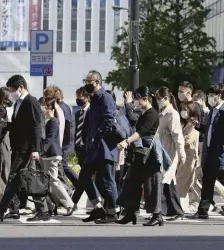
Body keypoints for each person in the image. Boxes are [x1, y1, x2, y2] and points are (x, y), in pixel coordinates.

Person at [0, 75, 43, 222]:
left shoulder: (31, 102)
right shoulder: (19, 103)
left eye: (12, 89)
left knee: (14, 178)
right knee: (20, 180)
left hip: (26, 149)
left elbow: (37, 126)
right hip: (18, 147)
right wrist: (5, 126)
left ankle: (1, 211)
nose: (11, 92)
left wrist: (35, 149)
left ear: (20, 87)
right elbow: (19, 125)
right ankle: (38, 209)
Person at [72, 70, 119, 224]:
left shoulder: (105, 98)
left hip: (104, 148)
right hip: (93, 148)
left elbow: (109, 119)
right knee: (84, 178)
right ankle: (98, 209)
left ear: (97, 82)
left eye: (88, 82)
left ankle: (112, 213)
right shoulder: (94, 99)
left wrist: (98, 135)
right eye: (85, 81)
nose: (86, 84)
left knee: (106, 181)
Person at [116, 86, 164, 226]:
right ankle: (130, 213)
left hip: (151, 153)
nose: (136, 101)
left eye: (137, 98)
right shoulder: (143, 113)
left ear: (146, 98)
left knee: (152, 184)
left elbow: (142, 132)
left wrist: (126, 141)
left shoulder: (152, 114)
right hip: (141, 152)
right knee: (131, 181)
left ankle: (157, 215)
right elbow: (132, 120)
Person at [189, 84, 224, 220]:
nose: (210, 97)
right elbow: (209, 130)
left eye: (212, 95)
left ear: (220, 96)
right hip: (210, 153)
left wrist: (223, 147)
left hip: (221, 154)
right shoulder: (213, 111)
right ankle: (202, 211)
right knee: (207, 183)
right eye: (209, 94)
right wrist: (198, 125)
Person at [155, 86, 187, 221]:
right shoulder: (162, 113)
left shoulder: (172, 114)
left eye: (159, 99)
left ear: (166, 98)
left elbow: (177, 135)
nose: (157, 101)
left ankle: (161, 210)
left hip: (170, 152)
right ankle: (174, 210)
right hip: (161, 150)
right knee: (168, 182)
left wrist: (181, 153)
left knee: (165, 180)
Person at [176, 101, 200, 212]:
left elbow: (188, 139)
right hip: (183, 155)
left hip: (189, 156)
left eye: (185, 109)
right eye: (182, 109)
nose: (183, 112)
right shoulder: (184, 123)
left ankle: (179, 206)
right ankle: (199, 202)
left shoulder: (193, 123)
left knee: (182, 181)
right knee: (191, 182)